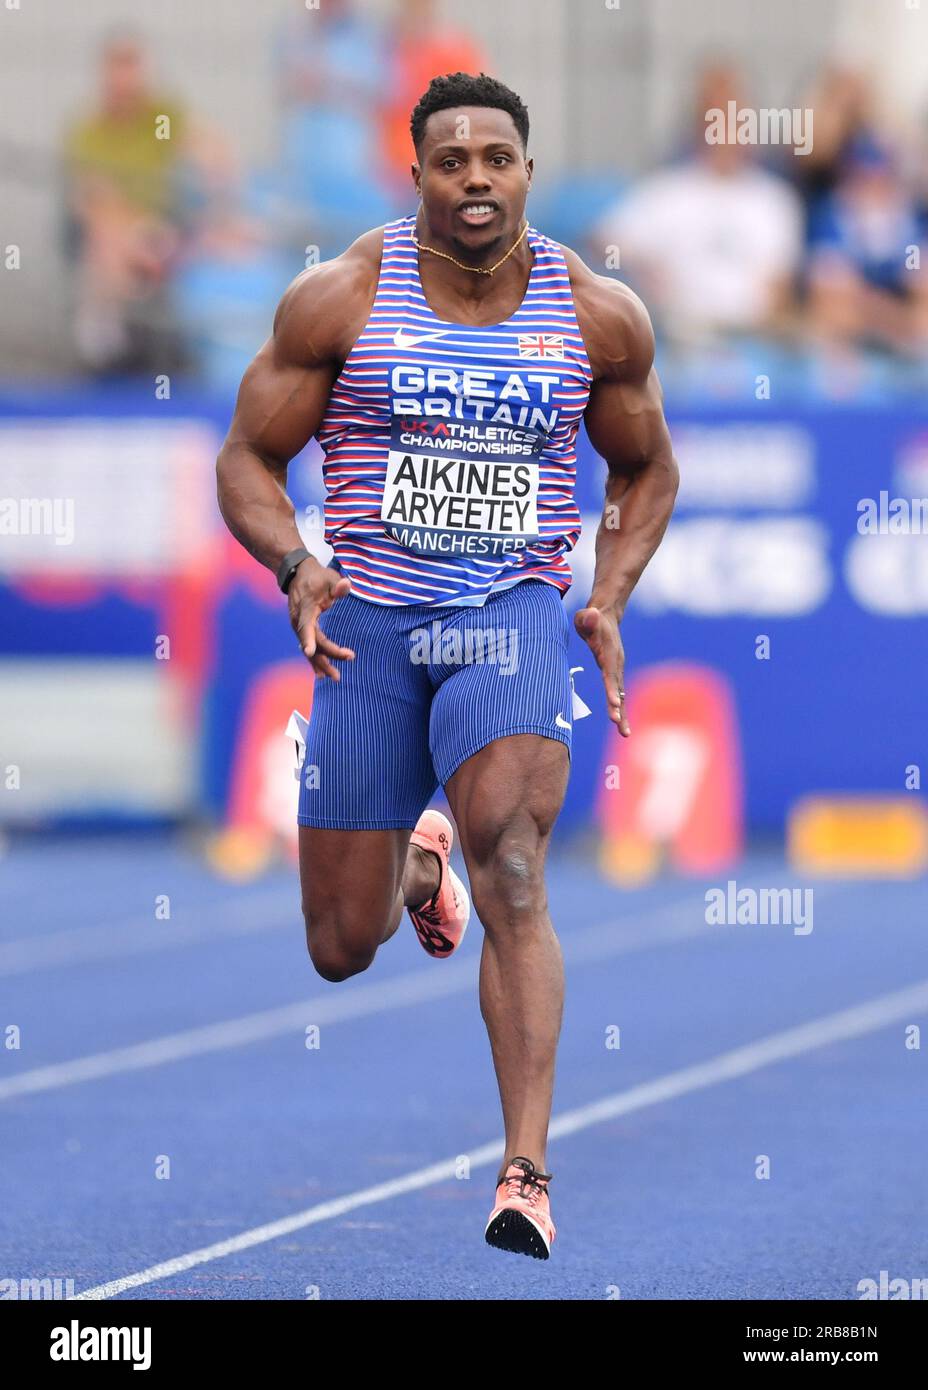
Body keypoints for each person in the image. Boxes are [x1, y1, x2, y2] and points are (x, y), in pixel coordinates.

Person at [216, 72, 678, 1260]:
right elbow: (246, 459)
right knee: (338, 943)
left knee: (517, 867)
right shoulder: (341, 301)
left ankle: (523, 1170)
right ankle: (421, 882)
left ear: (527, 170)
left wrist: (607, 597)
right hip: (365, 619)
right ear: (415, 174)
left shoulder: (596, 314)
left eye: (496, 158)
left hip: (507, 614)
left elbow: (648, 470)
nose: (475, 178)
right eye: (449, 160)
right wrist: (294, 563)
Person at [595, 65, 802, 346]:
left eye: (735, 116)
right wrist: (639, 271)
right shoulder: (665, 193)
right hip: (677, 341)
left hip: (752, 341)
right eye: (715, 116)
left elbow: (779, 288)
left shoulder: (774, 201)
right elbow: (602, 244)